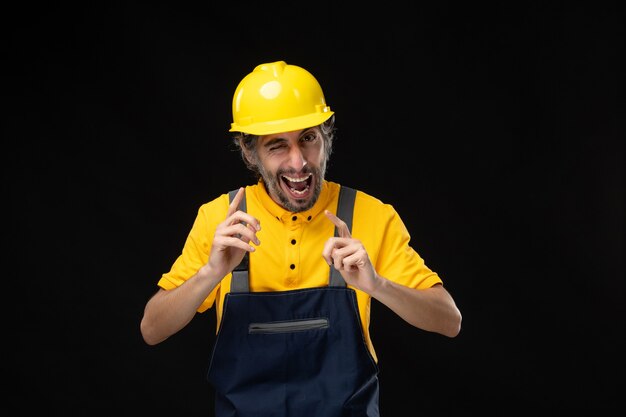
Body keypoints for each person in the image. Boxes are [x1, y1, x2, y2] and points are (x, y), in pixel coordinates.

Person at [140, 60, 462, 416]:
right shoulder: (221, 219)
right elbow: (152, 329)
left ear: (326, 137)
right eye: (277, 145)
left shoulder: (369, 215)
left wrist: (377, 285)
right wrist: (210, 274)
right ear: (250, 153)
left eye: (308, 139)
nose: (298, 163)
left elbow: (449, 321)